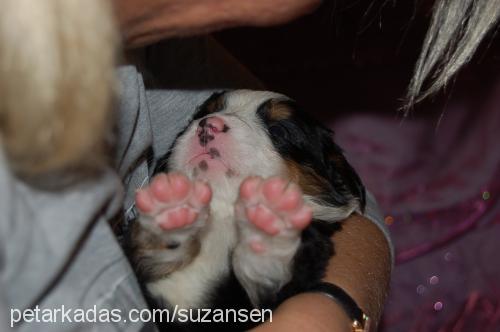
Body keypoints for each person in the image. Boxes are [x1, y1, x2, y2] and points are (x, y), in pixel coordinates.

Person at [1, 0, 496, 331]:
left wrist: (328, 305)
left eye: (276, 130)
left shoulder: (155, 41)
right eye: (207, 118)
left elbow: (353, 205)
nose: (211, 127)